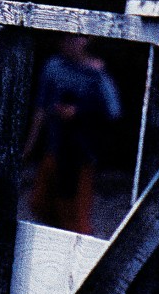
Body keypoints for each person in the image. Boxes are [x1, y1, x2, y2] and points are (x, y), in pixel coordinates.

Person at [24, 34, 123, 234]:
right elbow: (41, 108)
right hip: (55, 147)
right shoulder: (54, 66)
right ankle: (59, 238)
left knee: (75, 213)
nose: (67, 43)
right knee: (39, 203)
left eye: (73, 39)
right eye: (63, 39)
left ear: (85, 40)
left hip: (81, 152)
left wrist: (79, 111)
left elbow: (113, 112)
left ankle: (77, 250)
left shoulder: (97, 73)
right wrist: (29, 145)